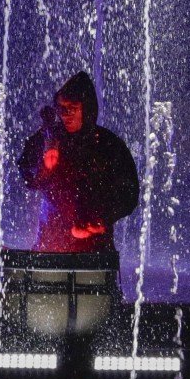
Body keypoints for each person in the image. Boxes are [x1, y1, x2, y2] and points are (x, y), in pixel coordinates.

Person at [14, 70, 140, 253]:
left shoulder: (108, 144)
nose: (65, 115)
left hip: (95, 248)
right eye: (61, 108)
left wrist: (101, 218)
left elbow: (129, 192)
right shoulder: (48, 137)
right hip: (50, 241)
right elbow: (27, 173)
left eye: (72, 108)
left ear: (86, 108)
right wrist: (44, 167)